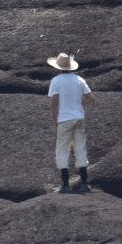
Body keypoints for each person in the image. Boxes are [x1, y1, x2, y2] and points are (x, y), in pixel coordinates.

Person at [47, 52, 96, 193]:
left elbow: (54, 103)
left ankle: (65, 185)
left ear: (58, 67)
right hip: (79, 117)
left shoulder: (56, 81)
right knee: (80, 148)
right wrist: (80, 103)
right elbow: (91, 98)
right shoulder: (79, 79)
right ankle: (84, 184)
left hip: (64, 119)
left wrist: (55, 121)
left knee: (62, 150)